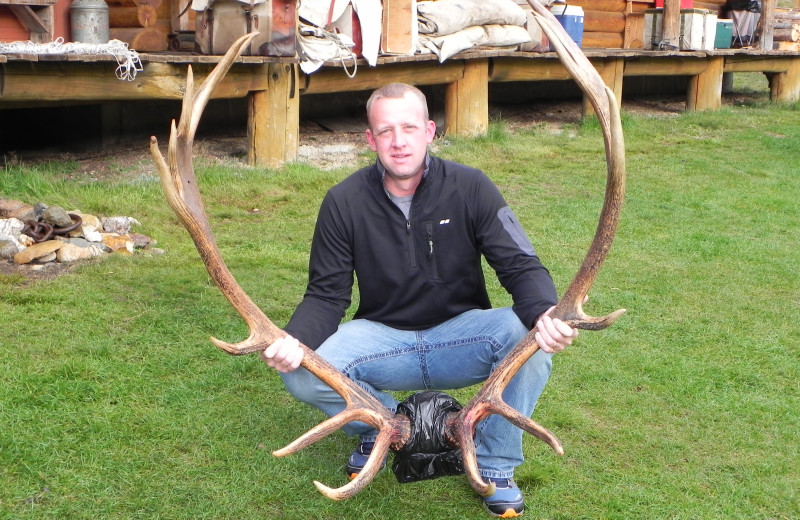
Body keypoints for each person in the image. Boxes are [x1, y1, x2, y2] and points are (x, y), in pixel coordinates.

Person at [260, 82, 578, 518]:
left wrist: (544, 312)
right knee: (300, 372)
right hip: (383, 338)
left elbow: (520, 263)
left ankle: (495, 464)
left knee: (530, 341)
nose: (398, 140)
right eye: (385, 130)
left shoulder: (471, 187)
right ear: (370, 139)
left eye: (408, 127)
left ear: (429, 131)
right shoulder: (343, 201)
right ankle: (387, 428)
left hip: (461, 335)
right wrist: (295, 340)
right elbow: (326, 293)